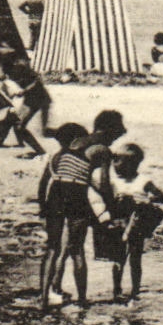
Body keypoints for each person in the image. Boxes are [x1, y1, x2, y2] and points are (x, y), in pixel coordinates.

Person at [38, 129, 112, 310]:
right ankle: (82, 300)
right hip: (76, 194)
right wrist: (110, 205)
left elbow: (44, 184)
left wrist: (43, 207)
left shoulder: (58, 155)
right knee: (77, 249)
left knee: (52, 248)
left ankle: (43, 299)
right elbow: (103, 183)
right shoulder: (102, 150)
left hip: (56, 192)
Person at [104, 143, 163, 303]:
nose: (115, 166)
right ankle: (117, 290)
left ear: (132, 164)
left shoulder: (142, 180)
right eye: (114, 162)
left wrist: (147, 199)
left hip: (137, 223)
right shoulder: (112, 181)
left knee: (135, 257)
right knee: (118, 258)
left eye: (118, 162)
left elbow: (162, 196)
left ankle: (135, 290)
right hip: (119, 223)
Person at [0, 45, 53, 143]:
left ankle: (42, 134)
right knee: (19, 122)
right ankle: (20, 142)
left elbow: (36, 80)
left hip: (38, 95)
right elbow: (6, 85)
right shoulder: (9, 72)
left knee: (22, 121)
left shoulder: (21, 68)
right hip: (30, 98)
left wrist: (25, 90)